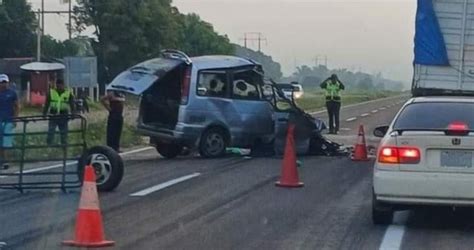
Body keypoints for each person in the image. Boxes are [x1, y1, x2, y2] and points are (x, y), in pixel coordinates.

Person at [43, 79, 75, 145]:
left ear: (63, 85)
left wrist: (73, 114)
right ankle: (49, 146)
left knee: (64, 134)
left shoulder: (68, 93)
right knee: (51, 132)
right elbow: (47, 104)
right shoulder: (51, 93)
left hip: (64, 116)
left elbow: (72, 105)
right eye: (58, 85)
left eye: (60, 85)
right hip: (53, 115)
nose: (59, 86)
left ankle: (64, 149)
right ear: (56, 85)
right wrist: (44, 114)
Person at [0, 74, 20, 169]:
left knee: (6, 142)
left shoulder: (12, 93)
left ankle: (5, 161)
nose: (3, 84)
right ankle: (2, 160)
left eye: (5, 82)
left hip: (8, 120)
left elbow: (16, 106)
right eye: (1, 82)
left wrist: (15, 119)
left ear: (8, 83)